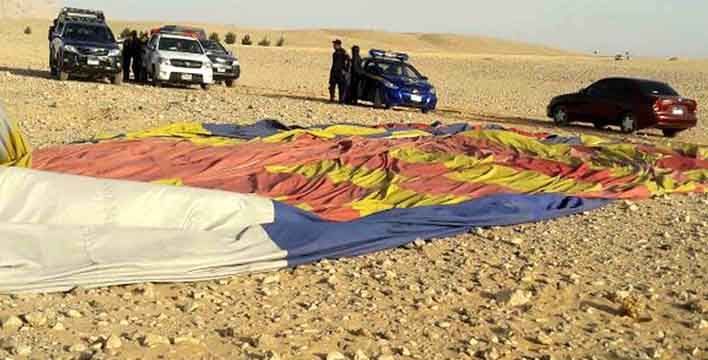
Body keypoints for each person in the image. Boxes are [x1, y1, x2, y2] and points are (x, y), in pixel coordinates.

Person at [329, 39, 350, 104]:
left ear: (338, 45)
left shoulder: (344, 52)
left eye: (335, 45)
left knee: (341, 87)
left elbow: (348, 61)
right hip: (334, 72)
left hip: (340, 73)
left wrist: (345, 71)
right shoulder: (335, 53)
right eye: (334, 45)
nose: (333, 46)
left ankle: (341, 100)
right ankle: (332, 98)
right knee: (332, 86)